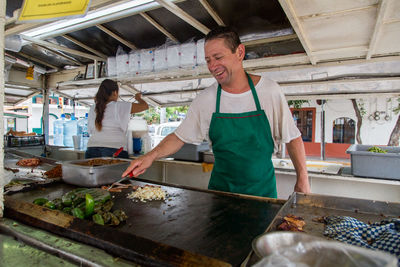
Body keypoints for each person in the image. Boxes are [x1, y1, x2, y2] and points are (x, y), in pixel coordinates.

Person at [122, 26, 310, 197]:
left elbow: (293, 138)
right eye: (208, 60)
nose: (212, 66)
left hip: (262, 195)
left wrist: (303, 179)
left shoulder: (269, 91)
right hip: (220, 195)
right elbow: (179, 137)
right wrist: (150, 156)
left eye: (218, 58)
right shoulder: (206, 99)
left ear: (240, 52)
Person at [85, 79, 149, 159]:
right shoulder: (118, 106)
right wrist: (138, 98)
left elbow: (91, 130)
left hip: (92, 148)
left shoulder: (93, 107)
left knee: (93, 172)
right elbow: (145, 106)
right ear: (115, 92)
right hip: (114, 149)